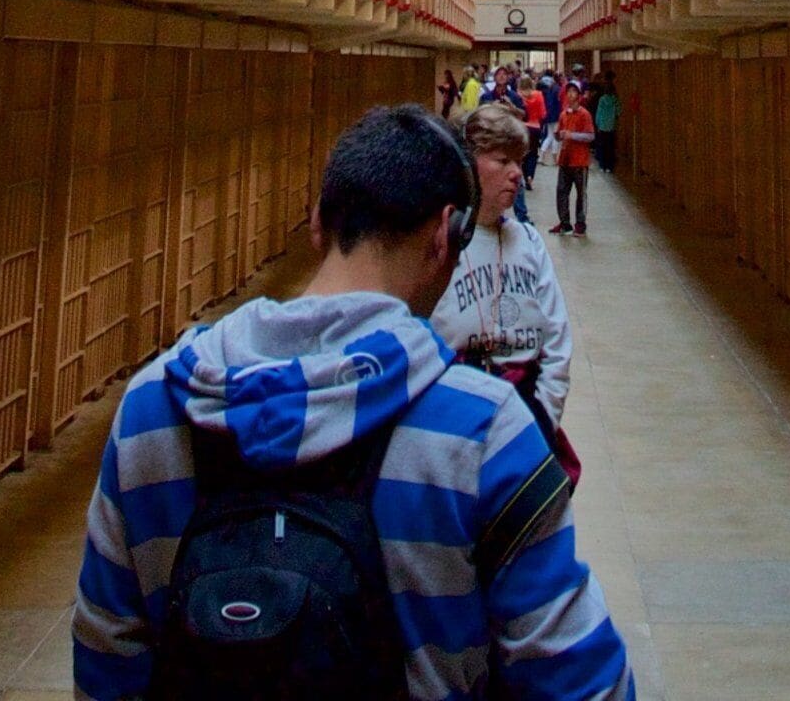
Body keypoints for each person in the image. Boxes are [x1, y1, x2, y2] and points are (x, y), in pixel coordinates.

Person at [76, 104, 632, 701]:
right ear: (445, 234)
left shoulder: (152, 410)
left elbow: (106, 655)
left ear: (318, 222)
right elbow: (582, 681)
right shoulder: (483, 434)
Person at [435, 106, 574, 417]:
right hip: (452, 411)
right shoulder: (438, 244)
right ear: (466, 166)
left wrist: (544, 418)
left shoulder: (529, 241)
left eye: (519, 161)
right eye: (502, 160)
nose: (516, 173)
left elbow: (557, 341)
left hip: (526, 410)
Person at [548, 77, 595, 236]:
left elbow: (590, 136)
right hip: (565, 159)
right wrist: (558, 135)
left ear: (579, 95)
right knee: (561, 191)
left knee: (581, 194)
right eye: (568, 91)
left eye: (574, 91)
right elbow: (559, 136)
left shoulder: (584, 114)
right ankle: (564, 222)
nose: (570, 94)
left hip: (580, 161)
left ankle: (580, 223)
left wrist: (571, 135)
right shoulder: (563, 115)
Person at [590, 80, 621, 176]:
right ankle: (610, 166)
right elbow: (619, 111)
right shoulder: (615, 100)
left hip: (602, 125)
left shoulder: (602, 99)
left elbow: (598, 113)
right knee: (610, 147)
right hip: (611, 126)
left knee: (602, 146)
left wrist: (597, 124)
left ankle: (602, 165)